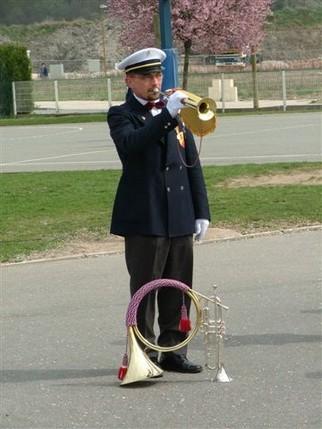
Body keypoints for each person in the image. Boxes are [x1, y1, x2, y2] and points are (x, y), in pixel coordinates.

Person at [107, 48, 211, 374]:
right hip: (146, 214)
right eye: (147, 76)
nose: (155, 81)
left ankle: (173, 349)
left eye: (158, 75)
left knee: (178, 285)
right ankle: (143, 354)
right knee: (145, 287)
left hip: (178, 213)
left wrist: (201, 210)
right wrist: (166, 115)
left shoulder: (175, 113)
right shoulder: (121, 114)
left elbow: (191, 165)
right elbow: (132, 146)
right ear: (129, 80)